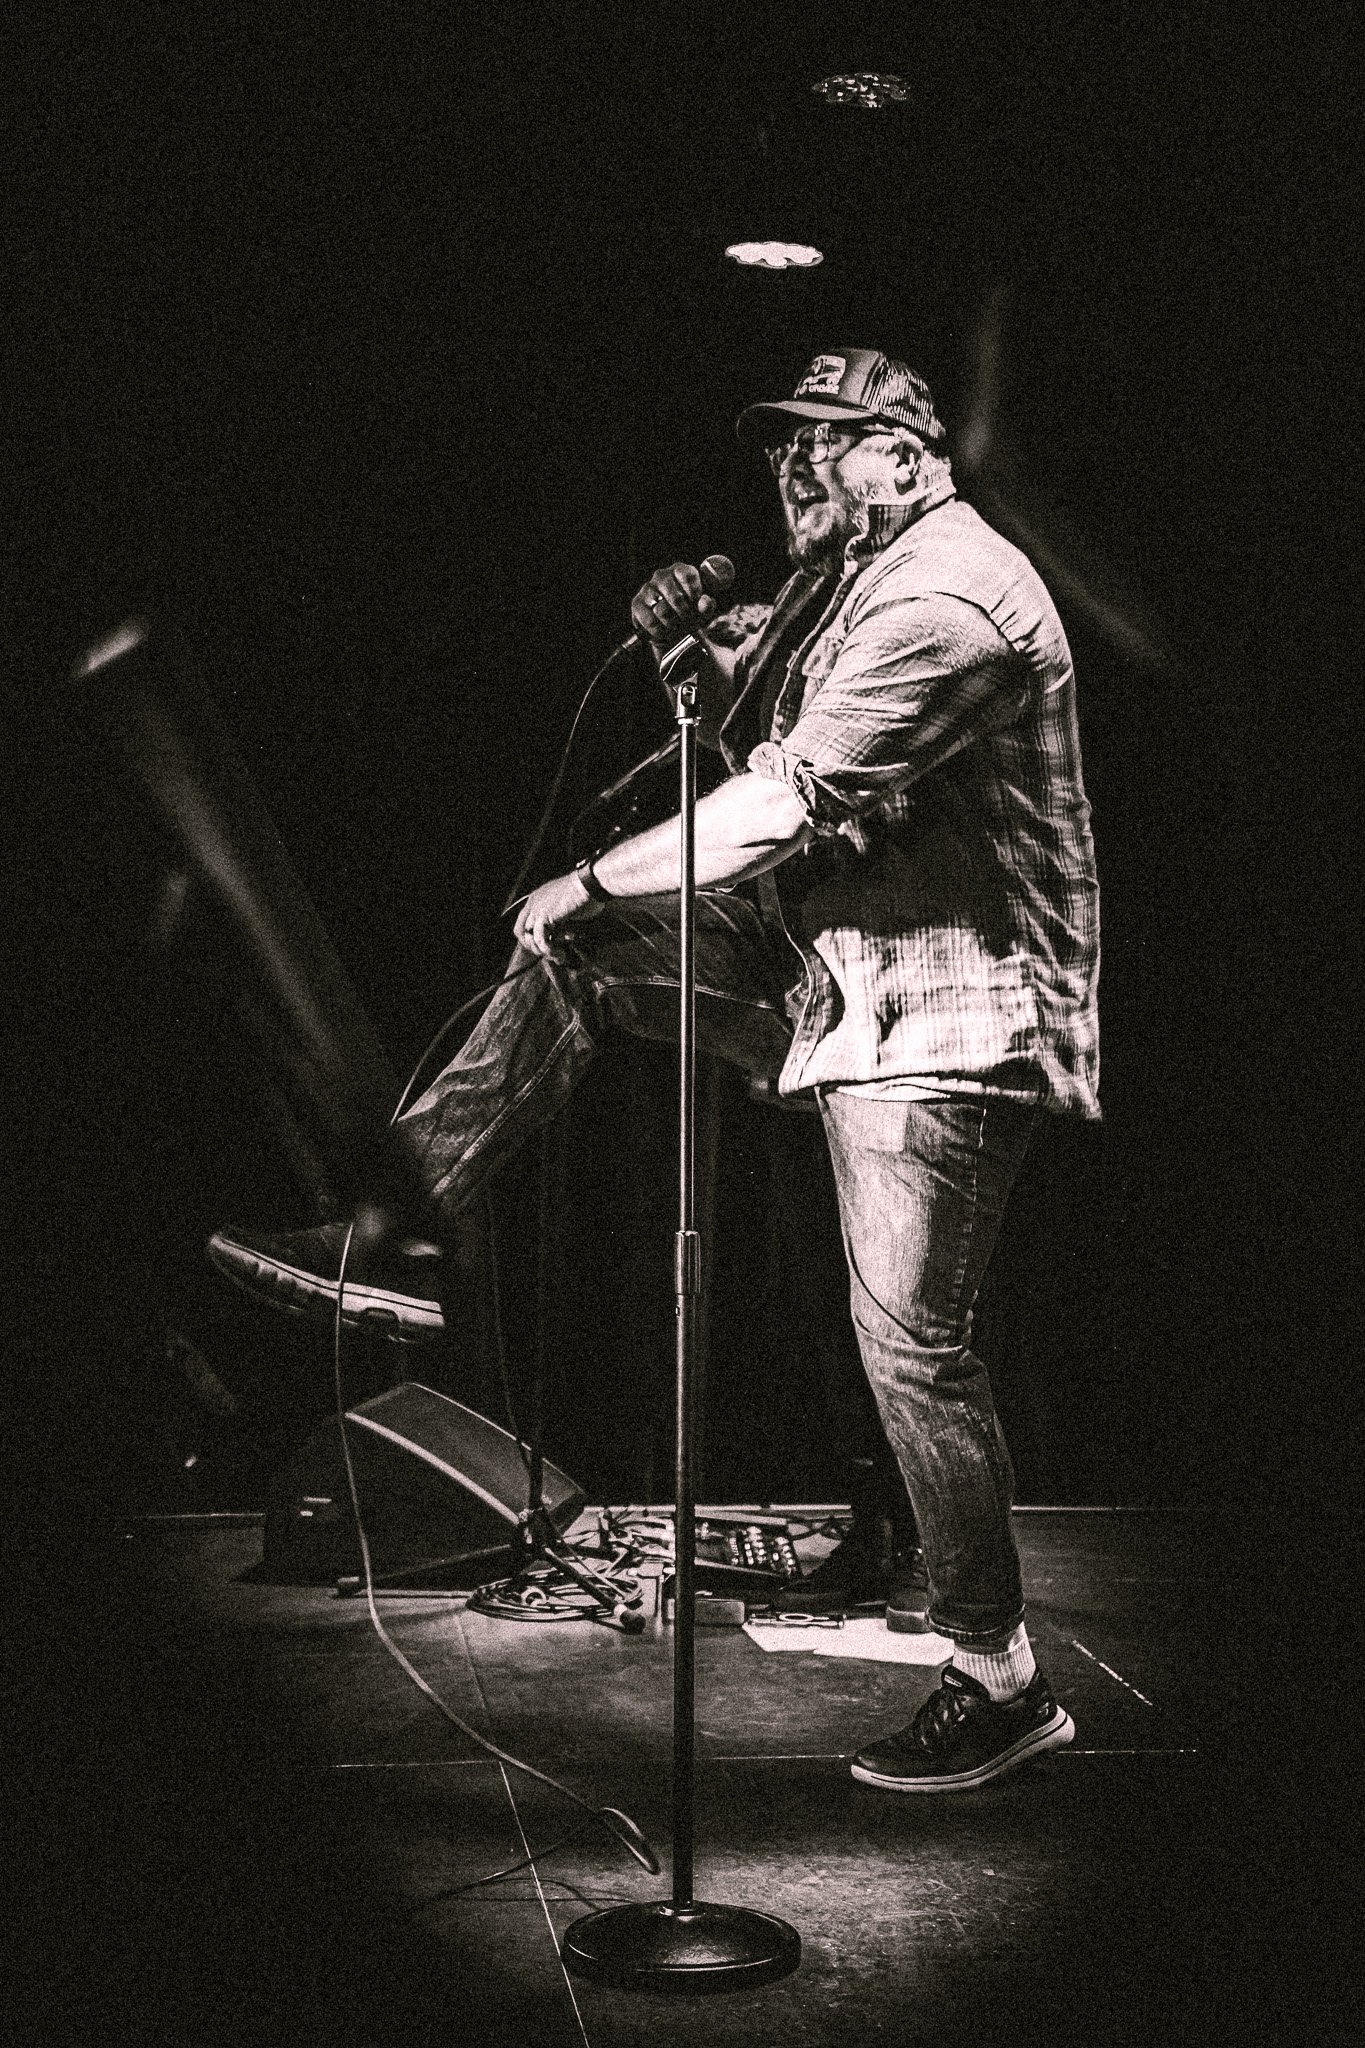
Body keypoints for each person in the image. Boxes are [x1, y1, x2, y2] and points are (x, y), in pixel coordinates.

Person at [210, 346, 1100, 1792]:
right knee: (582, 966)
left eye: (825, 443)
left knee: (913, 1349)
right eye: (779, 448)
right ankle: (394, 1231)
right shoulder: (844, 584)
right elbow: (751, 722)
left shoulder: (947, 598)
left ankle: (1000, 1678)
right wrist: (690, 651)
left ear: (908, 455)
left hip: (951, 1017)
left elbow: (773, 807)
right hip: (833, 978)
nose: (792, 467)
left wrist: (584, 879)